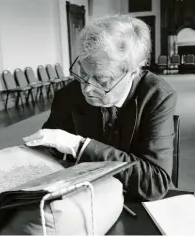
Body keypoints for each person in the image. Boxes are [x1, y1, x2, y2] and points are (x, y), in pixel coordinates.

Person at [23, 14, 177, 201]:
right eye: (83, 73)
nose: (87, 88)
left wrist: (78, 146)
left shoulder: (157, 96)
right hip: (83, 197)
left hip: (134, 200)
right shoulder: (67, 95)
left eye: (102, 80)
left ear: (132, 72)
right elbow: (47, 154)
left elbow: (154, 183)